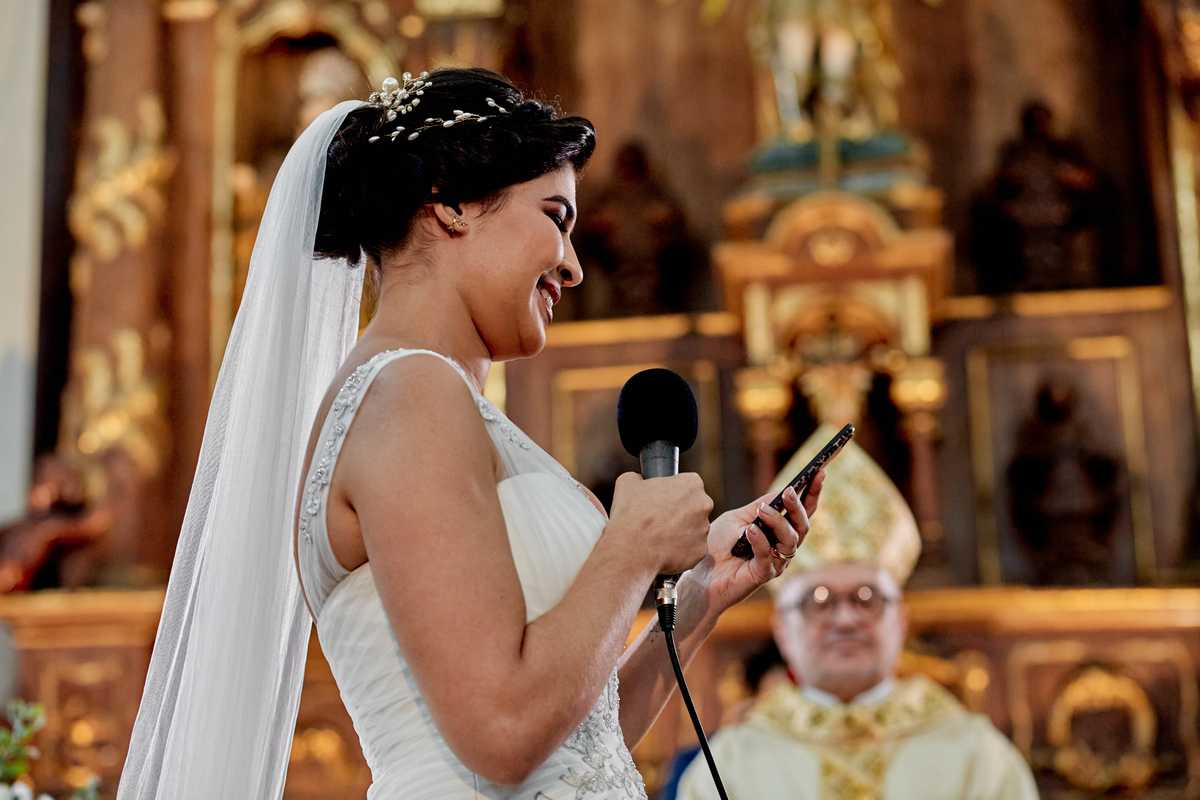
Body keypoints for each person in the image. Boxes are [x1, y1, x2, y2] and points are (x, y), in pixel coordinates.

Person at [117, 67, 823, 800]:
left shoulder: (431, 398)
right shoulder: (409, 394)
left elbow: (582, 744)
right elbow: (503, 734)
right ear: (450, 207)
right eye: (556, 218)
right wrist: (632, 546)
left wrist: (704, 594)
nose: (574, 267)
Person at [678, 425, 1039, 800]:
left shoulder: (977, 755)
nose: (846, 619)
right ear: (782, 629)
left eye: (867, 598)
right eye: (819, 600)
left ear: (901, 621)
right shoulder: (732, 762)